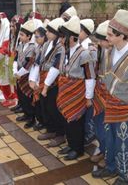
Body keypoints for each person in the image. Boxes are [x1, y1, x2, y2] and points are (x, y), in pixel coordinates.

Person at [92, 9, 128, 185]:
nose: (106, 37)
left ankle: (125, 174)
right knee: (110, 139)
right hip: (109, 105)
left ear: (121, 36)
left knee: (125, 142)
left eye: (110, 34)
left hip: (126, 108)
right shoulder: (108, 53)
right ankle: (111, 167)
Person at [56, 16, 96, 160]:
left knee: (76, 121)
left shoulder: (84, 54)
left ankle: (77, 148)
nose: (60, 40)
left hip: (77, 92)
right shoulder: (65, 51)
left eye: (63, 37)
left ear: (72, 38)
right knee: (67, 119)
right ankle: (70, 144)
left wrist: (88, 97)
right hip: (66, 90)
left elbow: (90, 76)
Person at [35, 17, 67, 148]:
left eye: (49, 31)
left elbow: (55, 67)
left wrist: (46, 86)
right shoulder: (48, 44)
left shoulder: (60, 47)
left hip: (53, 82)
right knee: (45, 106)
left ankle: (60, 134)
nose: (46, 33)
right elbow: (39, 61)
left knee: (54, 107)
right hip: (43, 78)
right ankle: (51, 129)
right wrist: (35, 79)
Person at [89, 20, 110, 163]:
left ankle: (108, 151)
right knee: (98, 123)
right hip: (98, 93)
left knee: (107, 125)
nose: (100, 43)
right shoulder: (100, 51)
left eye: (103, 40)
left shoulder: (118, 54)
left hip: (110, 96)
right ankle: (103, 148)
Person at [13, 20, 37, 128]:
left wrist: (20, 73)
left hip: (26, 75)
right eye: (20, 34)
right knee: (21, 96)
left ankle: (31, 118)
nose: (20, 37)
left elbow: (29, 63)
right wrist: (15, 71)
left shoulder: (32, 48)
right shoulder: (20, 45)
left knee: (28, 97)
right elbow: (15, 58)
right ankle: (25, 114)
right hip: (18, 74)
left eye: (22, 35)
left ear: (29, 36)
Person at [0, 12, 18, 106]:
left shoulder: (7, 32)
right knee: (3, 81)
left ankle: (13, 99)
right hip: (4, 61)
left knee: (9, 81)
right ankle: (9, 98)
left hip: (8, 61)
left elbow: (5, 48)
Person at [79, 19, 96, 145]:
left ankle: (89, 134)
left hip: (87, 83)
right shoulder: (80, 45)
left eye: (79, 30)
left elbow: (91, 72)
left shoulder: (89, 48)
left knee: (88, 111)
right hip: (81, 84)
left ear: (85, 32)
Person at [29, 26, 48, 131]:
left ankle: (44, 122)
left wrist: (36, 81)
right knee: (37, 102)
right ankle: (40, 120)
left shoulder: (45, 48)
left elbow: (41, 66)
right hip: (36, 78)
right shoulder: (38, 47)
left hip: (42, 79)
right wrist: (32, 80)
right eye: (34, 37)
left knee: (42, 103)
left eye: (37, 37)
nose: (35, 39)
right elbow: (35, 65)